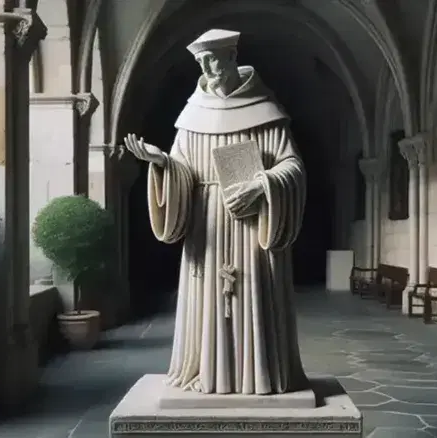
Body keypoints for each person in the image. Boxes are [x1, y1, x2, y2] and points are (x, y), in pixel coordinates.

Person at [124, 28, 308, 395]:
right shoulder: (193, 115)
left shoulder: (266, 112)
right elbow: (182, 168)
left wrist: (262, 185)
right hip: (206, 224)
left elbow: (293, 167)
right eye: (201, 61)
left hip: (252, 222)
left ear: (231, 56)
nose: (207, 68)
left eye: (213, 59)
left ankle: (258, 374)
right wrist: (161, 163)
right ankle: (207, 372)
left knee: (253, 295)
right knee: (208, 302)